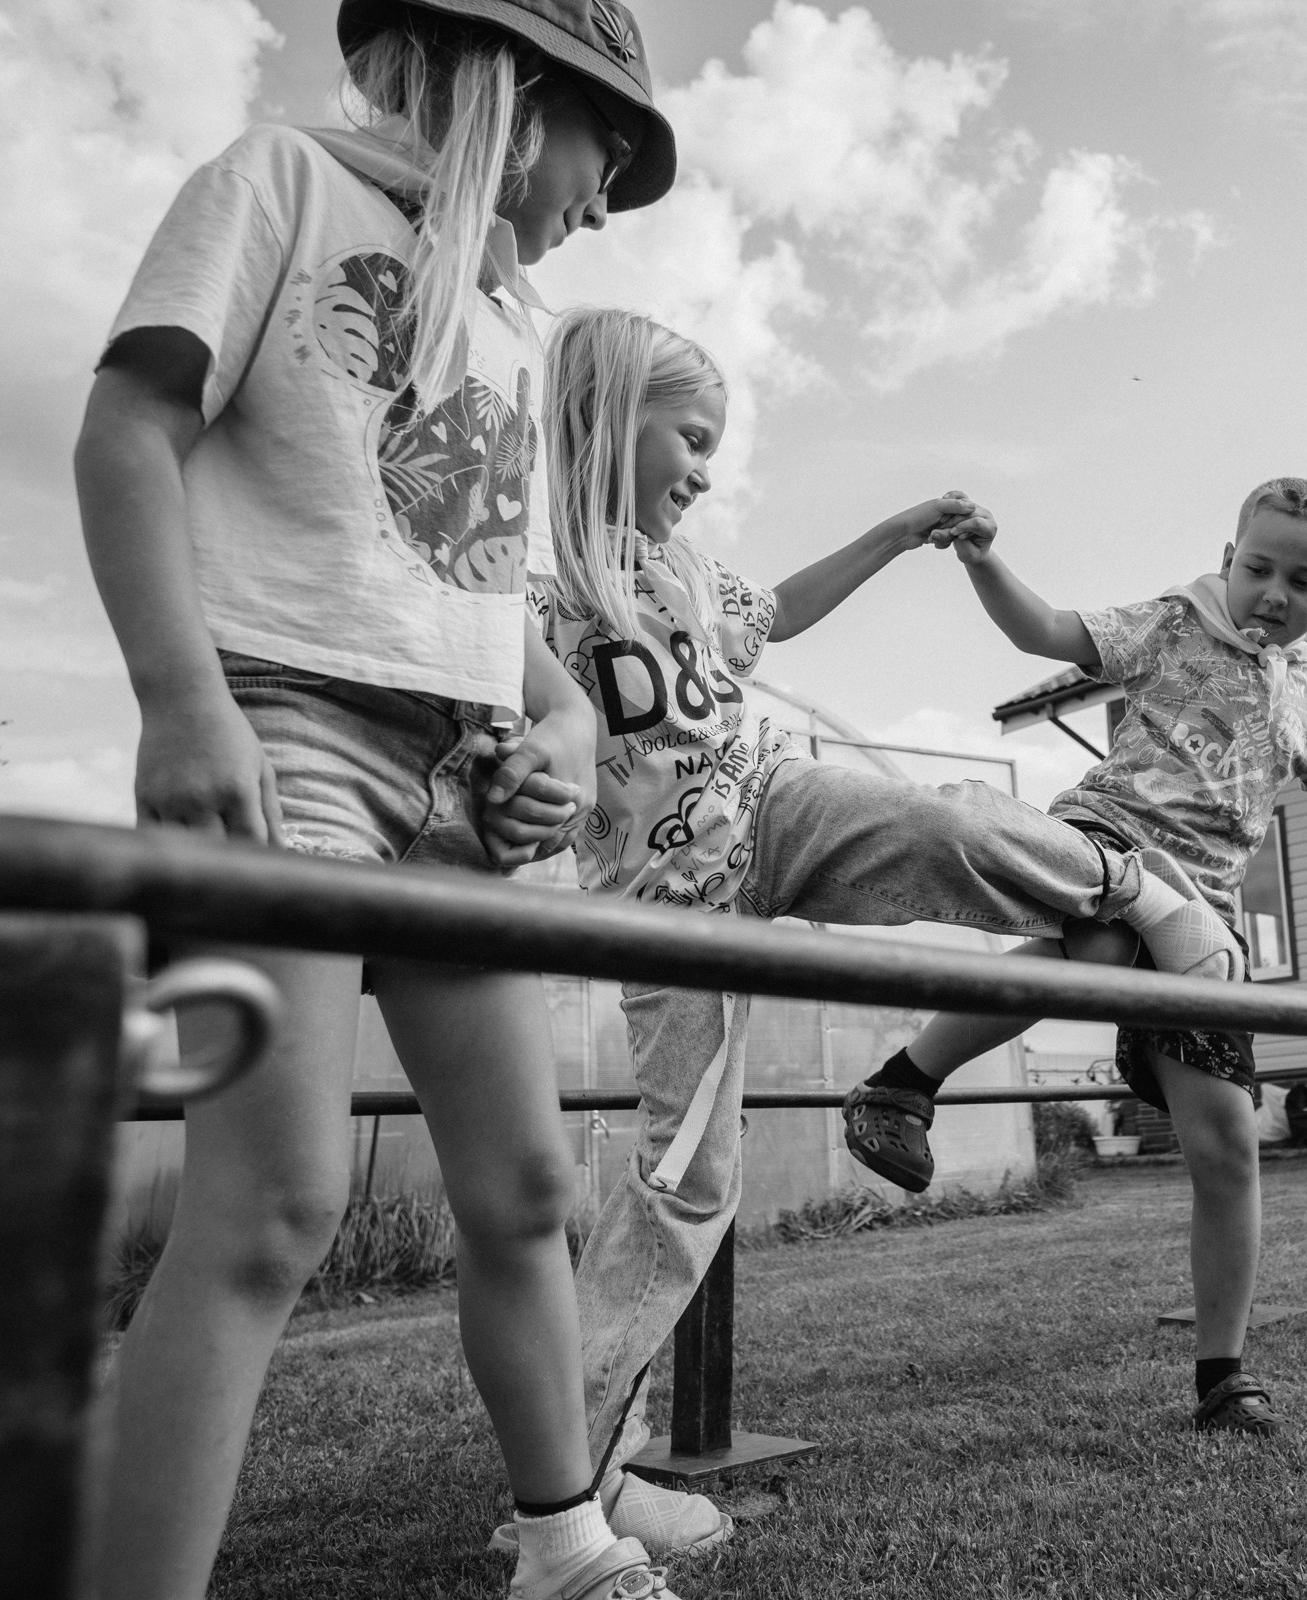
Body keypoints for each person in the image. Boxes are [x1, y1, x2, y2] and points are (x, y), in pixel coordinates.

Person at [72, 4, 684, 1597]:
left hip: (460, 788)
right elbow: (129, 430)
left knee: (529, 1188)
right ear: (515, 96)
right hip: (279, 735)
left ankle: (566, 1547)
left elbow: (490, 596)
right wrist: (180, 699)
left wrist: (554, 728)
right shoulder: (276, 182)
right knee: (274, 1203)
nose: (602, 206)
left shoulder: (510, 323)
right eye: (602, 154)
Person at [531, 307, 1249, 1553]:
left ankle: (1128, 886)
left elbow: (786, 609)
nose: (704, 470)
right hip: (663, 910)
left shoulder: (693, 575)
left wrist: (901, 529)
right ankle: (582, 1474)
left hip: (771, 804)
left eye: (714, 449)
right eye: (690, 439)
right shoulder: (540, 589)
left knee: (937, 821)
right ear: (606, 420)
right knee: (685, 1185)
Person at [845, 477, 1307, 1434]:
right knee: (1105, 941)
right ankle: (901, 1085)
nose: (1275, 594)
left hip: (1201, 910)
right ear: (1230, 555)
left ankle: (1223, 1375)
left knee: (1229, 1143)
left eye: (1303, 580)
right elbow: (1046, 632)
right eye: (1259, 569)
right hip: (1109, 840)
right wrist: (986, 558)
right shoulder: (1173, 624)